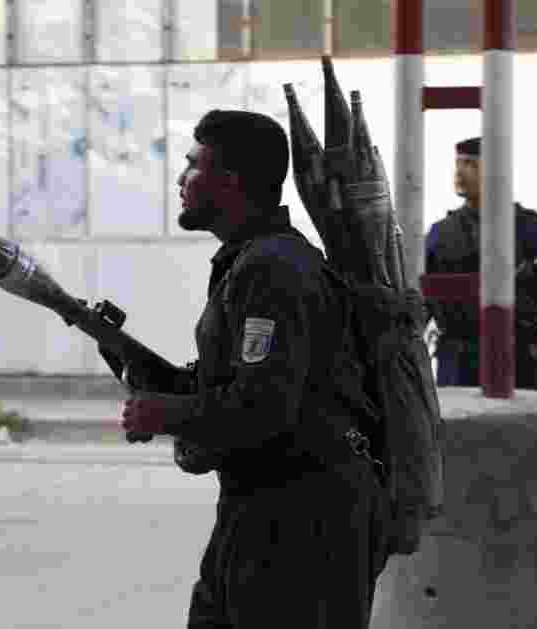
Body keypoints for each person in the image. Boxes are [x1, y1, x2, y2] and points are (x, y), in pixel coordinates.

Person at [119, 109, 390, 628]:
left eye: (193, 166)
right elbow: (240, 385)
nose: (180, 179)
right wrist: (150, 373)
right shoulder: (250, 261)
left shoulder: (274, 269)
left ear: (231, 180)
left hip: (304, 522)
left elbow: (264, 407)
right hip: (260, 509)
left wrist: (165, 413)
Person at [424, 136, 537, 390]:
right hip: (458, 365)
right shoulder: (442, 233)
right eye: (458, 163)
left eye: (471, 164)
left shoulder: (528, 227)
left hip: (520, 362)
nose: (460, 172)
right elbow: (420, 298)